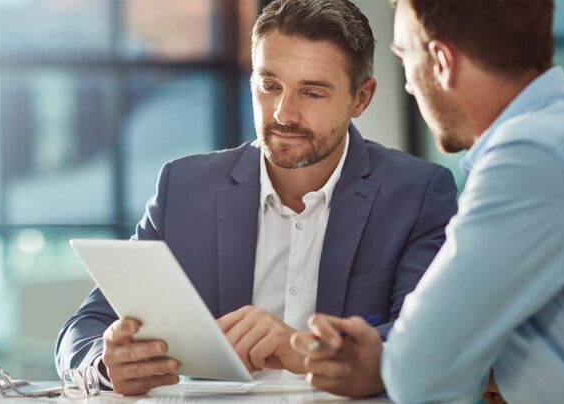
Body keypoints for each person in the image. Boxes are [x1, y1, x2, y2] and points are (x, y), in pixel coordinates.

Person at [56, 0, 457, 396]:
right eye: (269, 86)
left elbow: (427, 340)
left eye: (312, 93)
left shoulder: (417, 194)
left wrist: (299, 349)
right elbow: (85, 327)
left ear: (361, 98)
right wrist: (105, 363)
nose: (284, 113)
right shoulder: (185, 187)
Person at [291, 0, 564, 402]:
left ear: (441, 61)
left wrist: (387, 363)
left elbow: (418, 375)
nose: (406, 84)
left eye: (405, 56)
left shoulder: (532, 155)